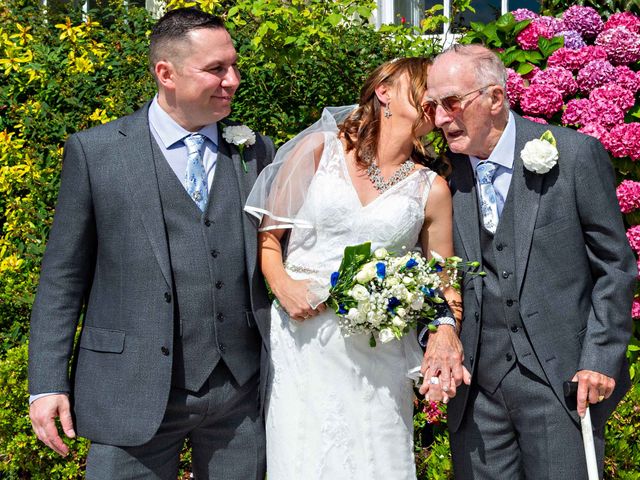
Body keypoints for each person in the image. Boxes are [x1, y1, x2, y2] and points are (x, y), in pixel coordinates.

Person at [27, 8, 274, 479]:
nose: (234, 80)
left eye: (234, 66)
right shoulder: (97, 153)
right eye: (216, 69)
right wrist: (46, 383)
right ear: (166, 73)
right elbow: (62, 278)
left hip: (239, 394)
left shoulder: (256, 151)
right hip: (131, 389)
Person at [420, 44, 637, 479]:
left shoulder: (574, 156)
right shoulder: (441, 177)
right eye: (432, 106)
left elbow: (615, 267)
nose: (441, 119)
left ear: (495, 99)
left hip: (560, 384)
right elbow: (432, 271)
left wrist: (599, 357)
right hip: (477, 391)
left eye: (451, 103)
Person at [244, 57, 458, 479]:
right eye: (425, 89)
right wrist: (282, 284)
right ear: (385, 92)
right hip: (304, 340)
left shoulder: (431, 188)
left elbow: (444, 277)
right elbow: (270, 238)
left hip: (378, 352)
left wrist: (445, 331)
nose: (434, 101)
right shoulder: (318, 151)